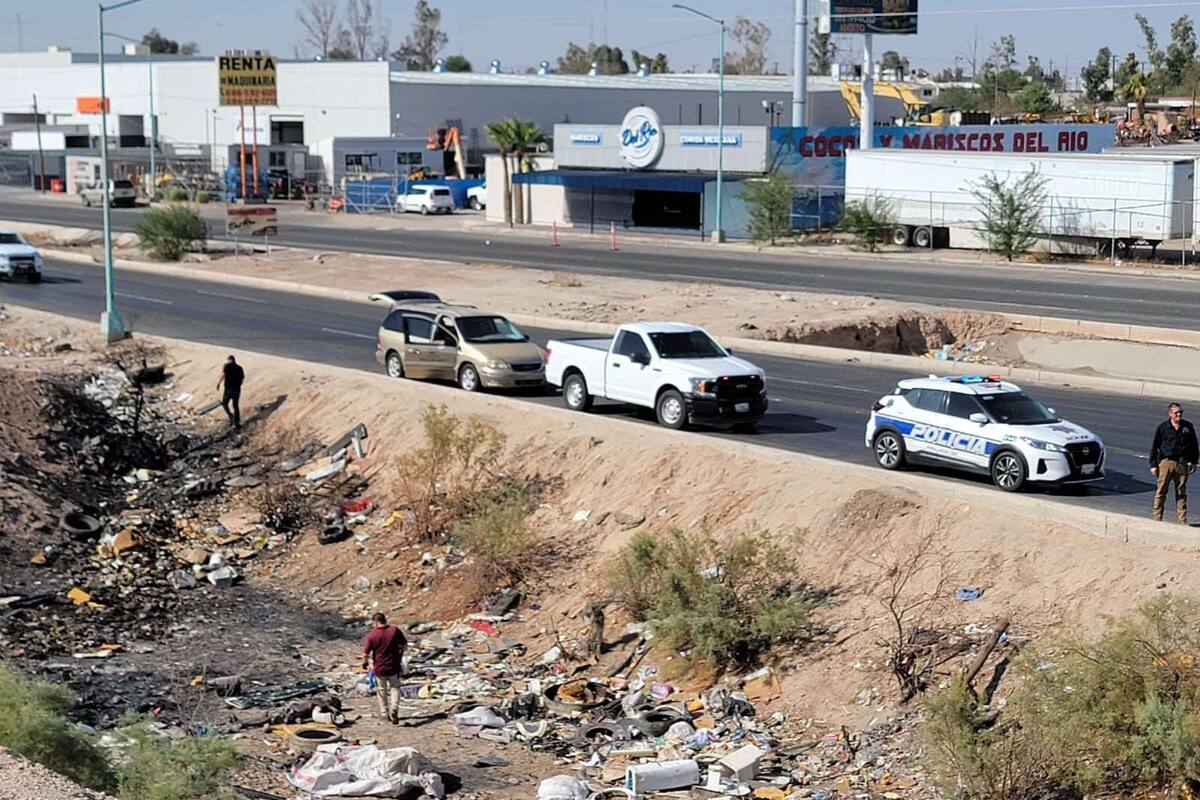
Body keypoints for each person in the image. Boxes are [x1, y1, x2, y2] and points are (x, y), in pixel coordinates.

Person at [1149, 402, 1199, 524]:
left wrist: (1193, 461)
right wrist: (1153, 465)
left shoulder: (1187, 427)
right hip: (1166, 463)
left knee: (1181, 492)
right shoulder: (1163, 427)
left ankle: (1182, 520)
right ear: (1170, 413)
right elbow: (1155, 446)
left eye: (1180, 412)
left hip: (1182, 463)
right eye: (1176, 412)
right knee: (1161, 490)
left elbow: (1194, 445)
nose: (1179, 414)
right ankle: (1157, 518)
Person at [361, 612, 407, 724]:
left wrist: (365, 663)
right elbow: (404, 646)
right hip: (393, 666)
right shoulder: (394, 630)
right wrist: (399, 654)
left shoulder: (372, 635)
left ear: (376, 623)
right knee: (395, 688)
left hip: (379, 668)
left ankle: (384, 713)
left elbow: (365, 653)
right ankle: (394, 708)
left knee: (381, 690)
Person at [216, 355, 245, 429]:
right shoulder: (239, 368)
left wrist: (219, 383)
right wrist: (239, 384)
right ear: (234, 360)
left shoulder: (226, 366)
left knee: (224, 403)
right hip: (237, 389)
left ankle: (231, 417)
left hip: (229, 389)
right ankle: (237, 422)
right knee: (235, 405)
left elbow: (223, 375)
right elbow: (242, 378)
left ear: (229, 360)